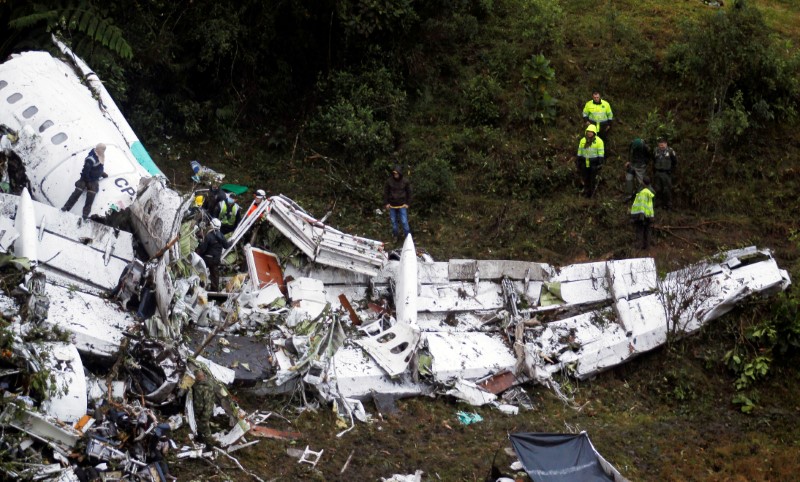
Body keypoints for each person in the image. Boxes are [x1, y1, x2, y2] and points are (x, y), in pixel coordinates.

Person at [61, 143, 108, 219]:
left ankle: (85, 213)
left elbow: (98, 166)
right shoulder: (91, 160)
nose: (103, 151)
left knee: (92, 194)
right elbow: (86, 171)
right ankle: (66, 207)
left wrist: (100, 173)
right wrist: (88, 181)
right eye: (102, 149)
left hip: (94, 177)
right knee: (79, 190)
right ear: (99, 149)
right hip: (87, 178)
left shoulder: (100, 156)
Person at [195, 218, 231, 291]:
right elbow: (226, 246)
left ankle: (199, 286)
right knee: (214, 275)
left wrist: (198, 253)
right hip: (216, 260)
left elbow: (203, 249)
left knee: (199, 270)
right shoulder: (222, 236)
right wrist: (231, 242)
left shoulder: (209, 236)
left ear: (212, 225)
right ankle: (214, 290)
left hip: (207, 259)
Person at [576, 124, 605, 198]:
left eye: (591, 132)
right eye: (588, 131)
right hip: (584, 162)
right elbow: (580, 150)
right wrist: (578, 159)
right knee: (585, 178)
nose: (589, 133)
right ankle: (586, 192)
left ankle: (592, 194)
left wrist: (600, 162)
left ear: (594, 132)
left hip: (594, 163)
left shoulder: (599, 141)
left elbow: (601, 152)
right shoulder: (583, 140)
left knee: (593, 179)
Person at [384, 165, 411, 242]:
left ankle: (408, 238)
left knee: (404, 221)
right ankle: (395, 236)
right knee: (393, 222)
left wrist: (407, 203)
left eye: (397, 173)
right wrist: (386, 203)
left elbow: (409, 193)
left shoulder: (405, 181)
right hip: (392, 205)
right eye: (394, 173)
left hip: (402, 205)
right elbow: (386, 193)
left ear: (400, 173)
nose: (395, 175)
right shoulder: (389, 181)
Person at [630, 177, 655, 249]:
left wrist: (640, 216)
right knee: (648, 231)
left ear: (643, 183)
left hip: (642, 215)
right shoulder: (651, 192)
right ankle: (647, 247)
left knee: (640, 231)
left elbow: (642, 205)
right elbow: (651, 205)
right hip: (650, 215)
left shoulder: (643, 193)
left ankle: (639, 247)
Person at [653, 137, 677, 210]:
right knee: (657, 189)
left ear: (666, 144)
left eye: (663, 145)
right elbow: (653, 160)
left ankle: (669, 205)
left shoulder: (670, 151)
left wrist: (670, 170)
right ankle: (658, 205)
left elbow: (675, 161)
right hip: (657, 173)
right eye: (660, 145)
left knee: (667, 190)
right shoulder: (656, 151)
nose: (661, 146)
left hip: (666, 173)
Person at [192, 370, 215, 446]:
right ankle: (200, 439)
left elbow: (208, 404)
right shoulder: (197, 385)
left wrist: (205, 416)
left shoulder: (206, 388)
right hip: (197, 411)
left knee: (206, 429)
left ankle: (210, 445)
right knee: (198, 427)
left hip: (203, 413)